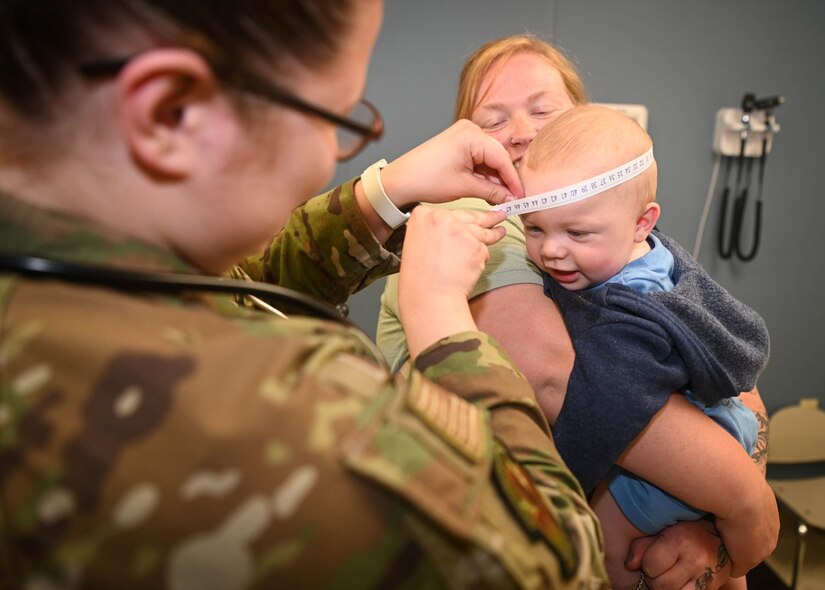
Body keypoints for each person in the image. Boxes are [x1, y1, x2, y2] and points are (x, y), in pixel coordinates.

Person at [0, 2, 613, 588]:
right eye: (335, 119)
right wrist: (444, 324)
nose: (329, 158)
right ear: (171, 112)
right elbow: (563, 566)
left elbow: (246, 283)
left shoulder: (78, 272)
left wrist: (387, 190)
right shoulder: (299, 420)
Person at [376, 34, 777, 589]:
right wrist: (747, 507)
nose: (521, 131)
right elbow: (553, 380)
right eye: (493, 120)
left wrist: (714, 524)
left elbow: (718, 356)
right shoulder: (472, 223)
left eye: (543, 110)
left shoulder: (623, 242)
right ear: (462, 141)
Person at [516, 104, 766, 589]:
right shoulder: (651, 251)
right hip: (724, 430)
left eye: (577, 232)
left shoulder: (625, 319)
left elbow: (603, 411)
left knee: (606, 552)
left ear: (640, 222)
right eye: (534, 228)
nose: (550, 250)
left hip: (683, 465)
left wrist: (556, 487)